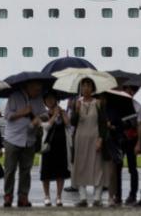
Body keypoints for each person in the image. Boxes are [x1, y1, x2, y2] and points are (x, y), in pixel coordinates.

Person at [2, 80, 46, 207]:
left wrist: (40, 118)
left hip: (29, 139)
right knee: (10, 170)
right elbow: (7, 115)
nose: (38, 92)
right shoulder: (14, 96)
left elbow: (44, 114)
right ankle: (8, 196)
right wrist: (23, 112)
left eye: (39, 90)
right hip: (13, 139)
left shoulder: (38, 99)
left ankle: (23, 197)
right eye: (36, 89)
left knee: (26, 171)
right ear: (28, 86)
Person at [69, 78, 107, 207]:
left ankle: (97, 197)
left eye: (88, 85)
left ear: (93, 88)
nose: (85, 88)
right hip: (80, 139)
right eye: (83, 86)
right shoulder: (76, 102)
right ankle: (83, 197)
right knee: (80, 166)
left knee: (97, 167)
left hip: (95, 138)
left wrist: (101, 139)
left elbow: (103, 123)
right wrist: (76, 111)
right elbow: (72, 122)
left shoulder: (98, 103)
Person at [38, 92, 69, 207]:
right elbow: (46, 126)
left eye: (52, 98)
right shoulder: (44, 115)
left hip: (61, 146)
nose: (50, 101)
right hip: (48, 147)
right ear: (44, 102)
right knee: (46, 171)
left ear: (56, 100)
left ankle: (59, 196)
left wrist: (62, 113)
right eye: (47, 99)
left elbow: (68, 124)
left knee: (60, 171)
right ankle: (47, 196)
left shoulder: (62, 112)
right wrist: (54, 115)